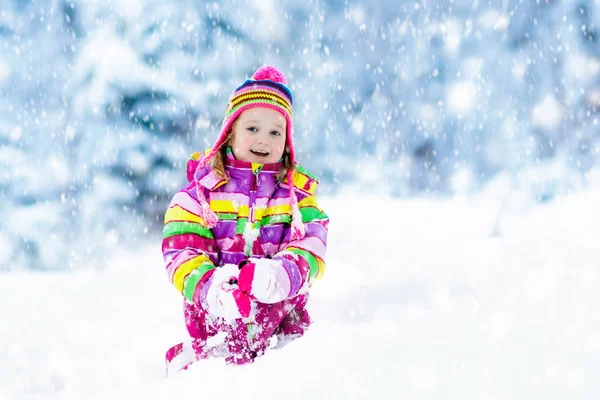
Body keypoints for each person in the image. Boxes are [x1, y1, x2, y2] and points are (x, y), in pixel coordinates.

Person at [162, 66, 329, 372]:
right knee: (210, 379)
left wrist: (280, 275)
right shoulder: (200, 195)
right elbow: (180, 249)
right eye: (252, 128)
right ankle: (195, 365)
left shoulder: (297, 199)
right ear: (230, 133)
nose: (263, 140)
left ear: (287, 141)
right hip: (215, 332)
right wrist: (211, 288)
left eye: (275, 132)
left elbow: (312, 245)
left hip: (282, 335)